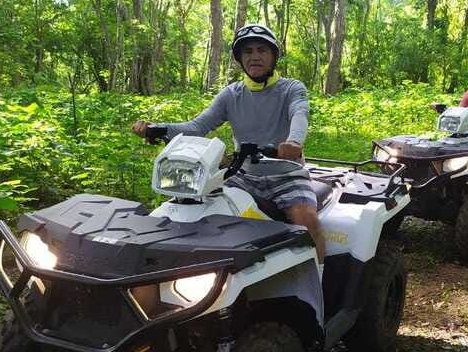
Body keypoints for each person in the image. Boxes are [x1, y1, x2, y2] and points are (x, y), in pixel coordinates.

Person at [132, 23, 325, 262]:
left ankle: (319, 277)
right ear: (239, 59)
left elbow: (300, 113)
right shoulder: (231, 94)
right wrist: (156, 128)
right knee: (201, 213)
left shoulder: (291, 88)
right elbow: (197, 126)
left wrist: (294, 142)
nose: (255, 56)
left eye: (262, 50)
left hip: (286, 174)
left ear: (274, 55)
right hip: (242, 175)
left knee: (307, 220)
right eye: (248, 51)